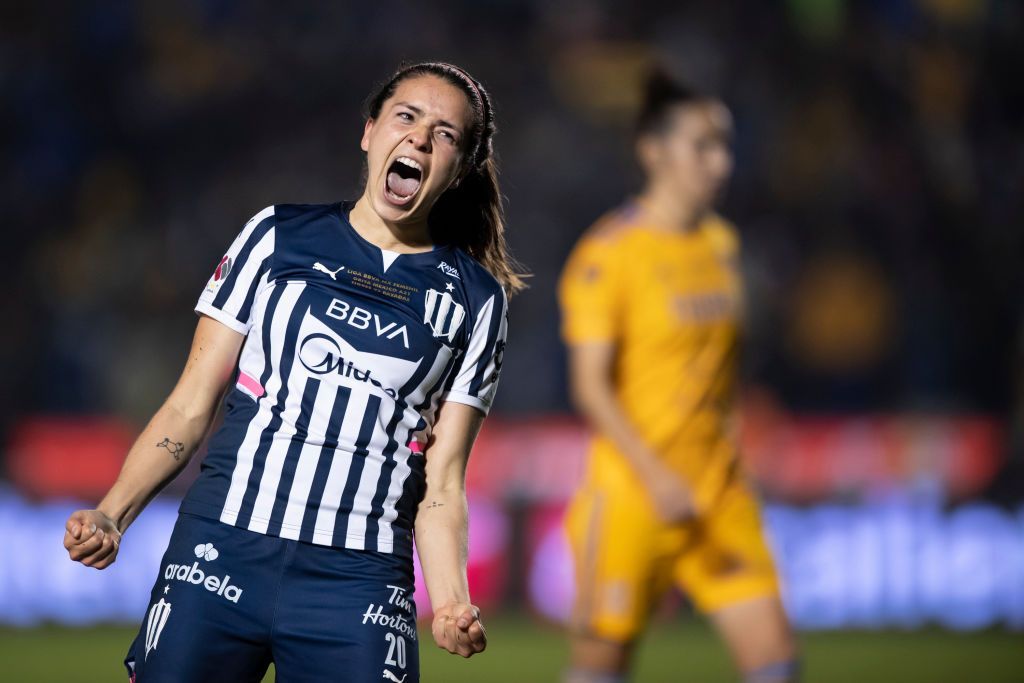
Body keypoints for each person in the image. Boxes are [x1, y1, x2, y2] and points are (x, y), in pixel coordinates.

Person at [62, 61, 522, 683]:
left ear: (461, 166)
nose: (418, 138)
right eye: (406, 117)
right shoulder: (275, 237)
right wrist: (114, 512)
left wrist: (450, 603)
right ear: (369, 132)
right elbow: (190, 404)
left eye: (444, 134)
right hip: (221, 550)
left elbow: (442, 480)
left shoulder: (476, 300)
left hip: (358, 580)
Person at [558, 69, 798, 683]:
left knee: (776, 663)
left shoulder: (722, 244)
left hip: (718, 491)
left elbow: (719, 371)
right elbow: (591, 387)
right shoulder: (608, 257)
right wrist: (656, 473)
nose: (721, 163)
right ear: (653, 151)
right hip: (636, 494)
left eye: (726, 147)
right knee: (599, 669)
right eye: (704, 146)